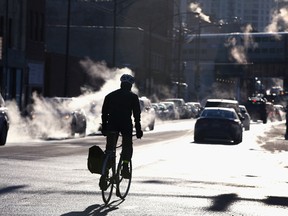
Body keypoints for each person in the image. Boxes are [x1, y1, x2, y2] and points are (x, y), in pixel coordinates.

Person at [101, 74, 143, 179]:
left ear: (121, 84)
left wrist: (104, 127)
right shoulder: (133, 97)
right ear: (130, 86)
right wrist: (138, 130)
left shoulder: (110, 96)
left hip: (112, 124)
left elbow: (104, 113)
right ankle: (125, 167)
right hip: (126, 125)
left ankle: (105, 170)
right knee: (127, 146)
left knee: (110, 148)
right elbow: (136, 115)